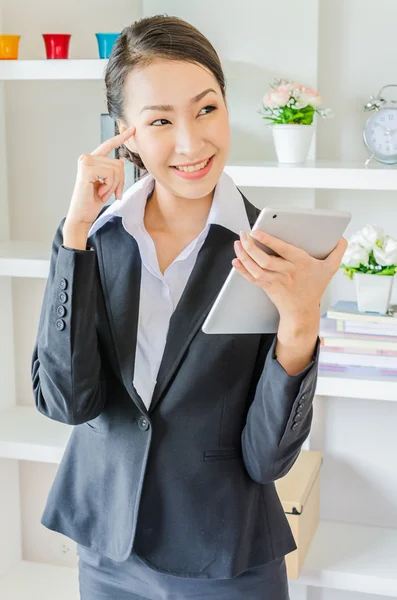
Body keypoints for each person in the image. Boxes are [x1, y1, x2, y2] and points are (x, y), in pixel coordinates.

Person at [31, 15, 347, 600]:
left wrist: (300, 323)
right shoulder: (96, 240)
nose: (191, 142)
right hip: (107, 548)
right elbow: (68, 402)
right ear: (125, 133)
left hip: (226, 556)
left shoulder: (273, 250)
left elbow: (267, 459)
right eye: (159, 121)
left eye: (206, 109)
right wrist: (73, 234)